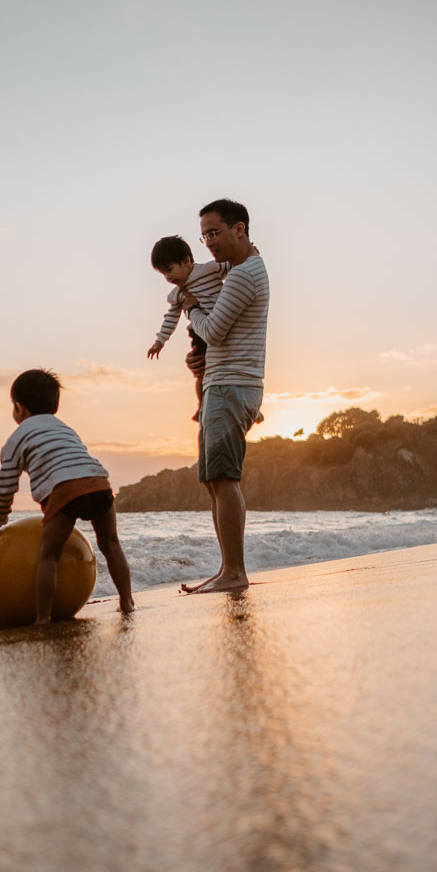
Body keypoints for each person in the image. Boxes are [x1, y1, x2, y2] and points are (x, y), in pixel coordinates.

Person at [0, 369, 134, 621]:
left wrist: (0, 518)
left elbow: (6, 484)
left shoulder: (16, 439)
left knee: (49, 554)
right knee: (111, 544)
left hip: (65, 490)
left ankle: (43, 618)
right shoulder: (66, 429)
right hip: (98, 482)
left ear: (19, 408)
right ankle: (127, 601)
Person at [178, 198, 269, 595]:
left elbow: (213, 331)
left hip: (232, 385)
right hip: (226, 381)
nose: (209, 243)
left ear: (240, 229)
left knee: (222, 476)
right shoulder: (244, 268)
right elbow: (219, 337)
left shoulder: (243, 276)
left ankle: (234, 571)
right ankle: (228, 568)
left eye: (215, 233)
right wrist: (201, 360)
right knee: (215, 480)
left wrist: (191, 308)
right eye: (204, 236)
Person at [147, 235, 229, 422]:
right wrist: (160, 341)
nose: (168, 277)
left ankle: (250, 408)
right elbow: (171, 318)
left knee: (227, 367)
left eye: (170, 270)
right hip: (199, 333)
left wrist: (252, 255)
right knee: (202, 371)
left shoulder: (210, 269)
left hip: (221, 323)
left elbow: (233, 265)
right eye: (163, 274)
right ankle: (201, 406)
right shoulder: (177, 294)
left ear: (186, 261)